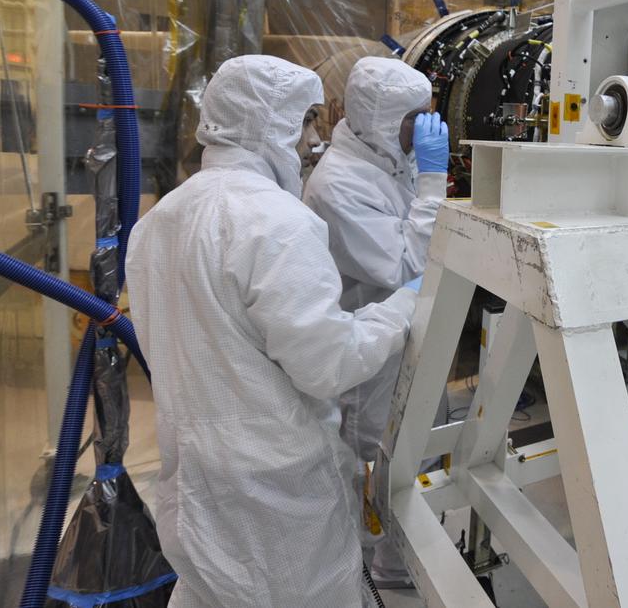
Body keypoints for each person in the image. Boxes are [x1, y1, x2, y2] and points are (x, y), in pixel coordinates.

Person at [125, 55, 418, 608]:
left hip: (193, 480)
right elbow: (329, 364)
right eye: (305, 121)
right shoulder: (277, 221)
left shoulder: (160, 219)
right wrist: (404, 307)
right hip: (275, 491)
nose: (315, 139)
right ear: (265, 121)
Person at [302, 56, 449, 588]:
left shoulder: (386, 158)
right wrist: (432, 181)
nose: (423, 129)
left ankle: (400, 557)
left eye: (427, 115)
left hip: (408, 334)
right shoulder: (338, 183)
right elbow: (406, 264)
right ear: (382, 120)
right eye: (413, 119)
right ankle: (370, 571)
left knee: (415, 451)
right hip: (372, 352)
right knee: (373, 462)